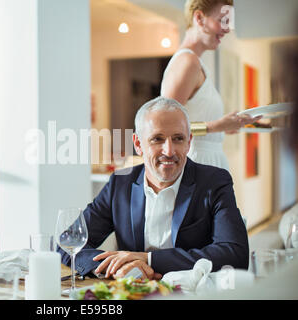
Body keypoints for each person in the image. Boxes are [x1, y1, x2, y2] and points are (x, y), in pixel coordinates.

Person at [59, 97, 249, 279]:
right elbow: (67, 244)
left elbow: (235, 255)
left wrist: (149, 260)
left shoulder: (214, 182)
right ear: (138, 144)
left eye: (178, 139)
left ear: (189, 142)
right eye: (157, 139)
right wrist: (117, 267)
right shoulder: (120, 184)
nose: (169, 151)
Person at [160, 0, 259, 170]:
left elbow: (190, 123)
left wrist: (227, 125)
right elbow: (165, 126)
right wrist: (219, 125)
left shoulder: (195, 63)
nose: (227, 29)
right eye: (222, 20)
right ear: (199, 18)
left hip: (206, 163)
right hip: (196, 166)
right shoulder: (187, 62)